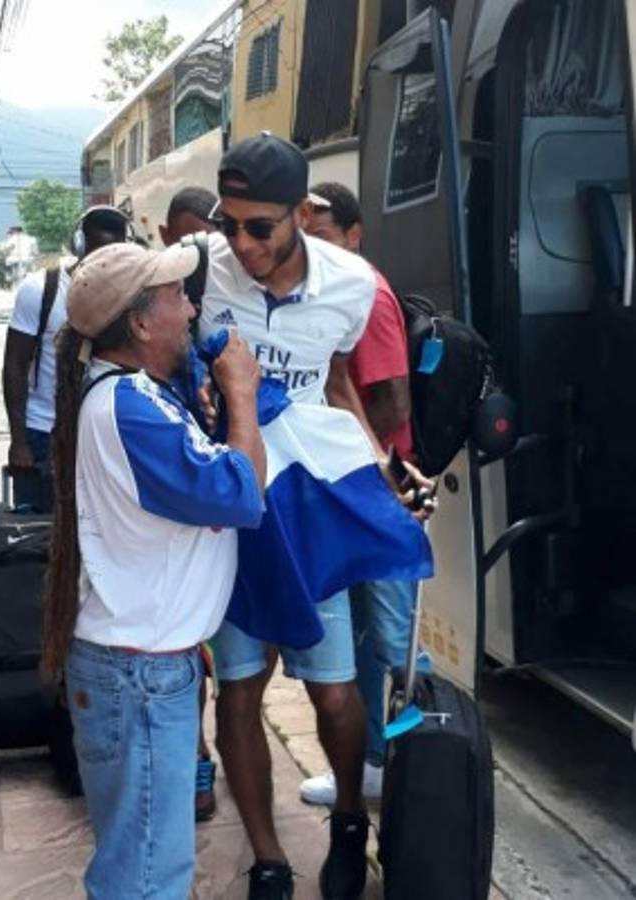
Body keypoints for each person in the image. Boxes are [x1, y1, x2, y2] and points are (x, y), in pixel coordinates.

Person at [41, 240, 266, 900]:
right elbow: (242, 494)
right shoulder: (132, 408)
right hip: (138, 676)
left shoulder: (134, 395)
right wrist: (242, 396)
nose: (191, 308)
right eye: (176, 297)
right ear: (140, 323)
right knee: (145, 875)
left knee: (140, 861)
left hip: (135, 667)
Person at [198, 132, 387, 900]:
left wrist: (376, 463)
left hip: (307, 507)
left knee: (334, 690)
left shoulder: (352, 285)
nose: (240, 244)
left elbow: (336, 379)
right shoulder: (199, 270)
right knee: (239, 689)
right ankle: (269, 858)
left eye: (259, 227)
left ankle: (348, 821)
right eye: (228, 224)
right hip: (232, 506)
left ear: (303, 215)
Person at [300, 181, 416, 805]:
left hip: (378, 493)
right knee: (370, 636)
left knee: (396, 638)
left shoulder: (363, 290)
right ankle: (375, 760)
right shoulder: (329, 289)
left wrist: (351, 460)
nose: (310, 247)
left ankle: (425, 761)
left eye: (321, 235)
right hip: (353, 491)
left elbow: (393, 401)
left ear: (353, 235)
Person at [2, 206, 131, 512]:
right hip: (42, 432)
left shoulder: (128, 295)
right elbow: (15, 365)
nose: (101, 264)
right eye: (95, 253)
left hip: (99, 433)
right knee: (39, 530)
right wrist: (19, 441)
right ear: (79, 245)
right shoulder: (40, 290)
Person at [160, 183, 218, 823]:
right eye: (186, 236)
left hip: (220, 495)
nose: (197, 247)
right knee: (190, 648)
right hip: (185, 495)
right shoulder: (161, 299)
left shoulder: (220, 294)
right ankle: (197, 760)